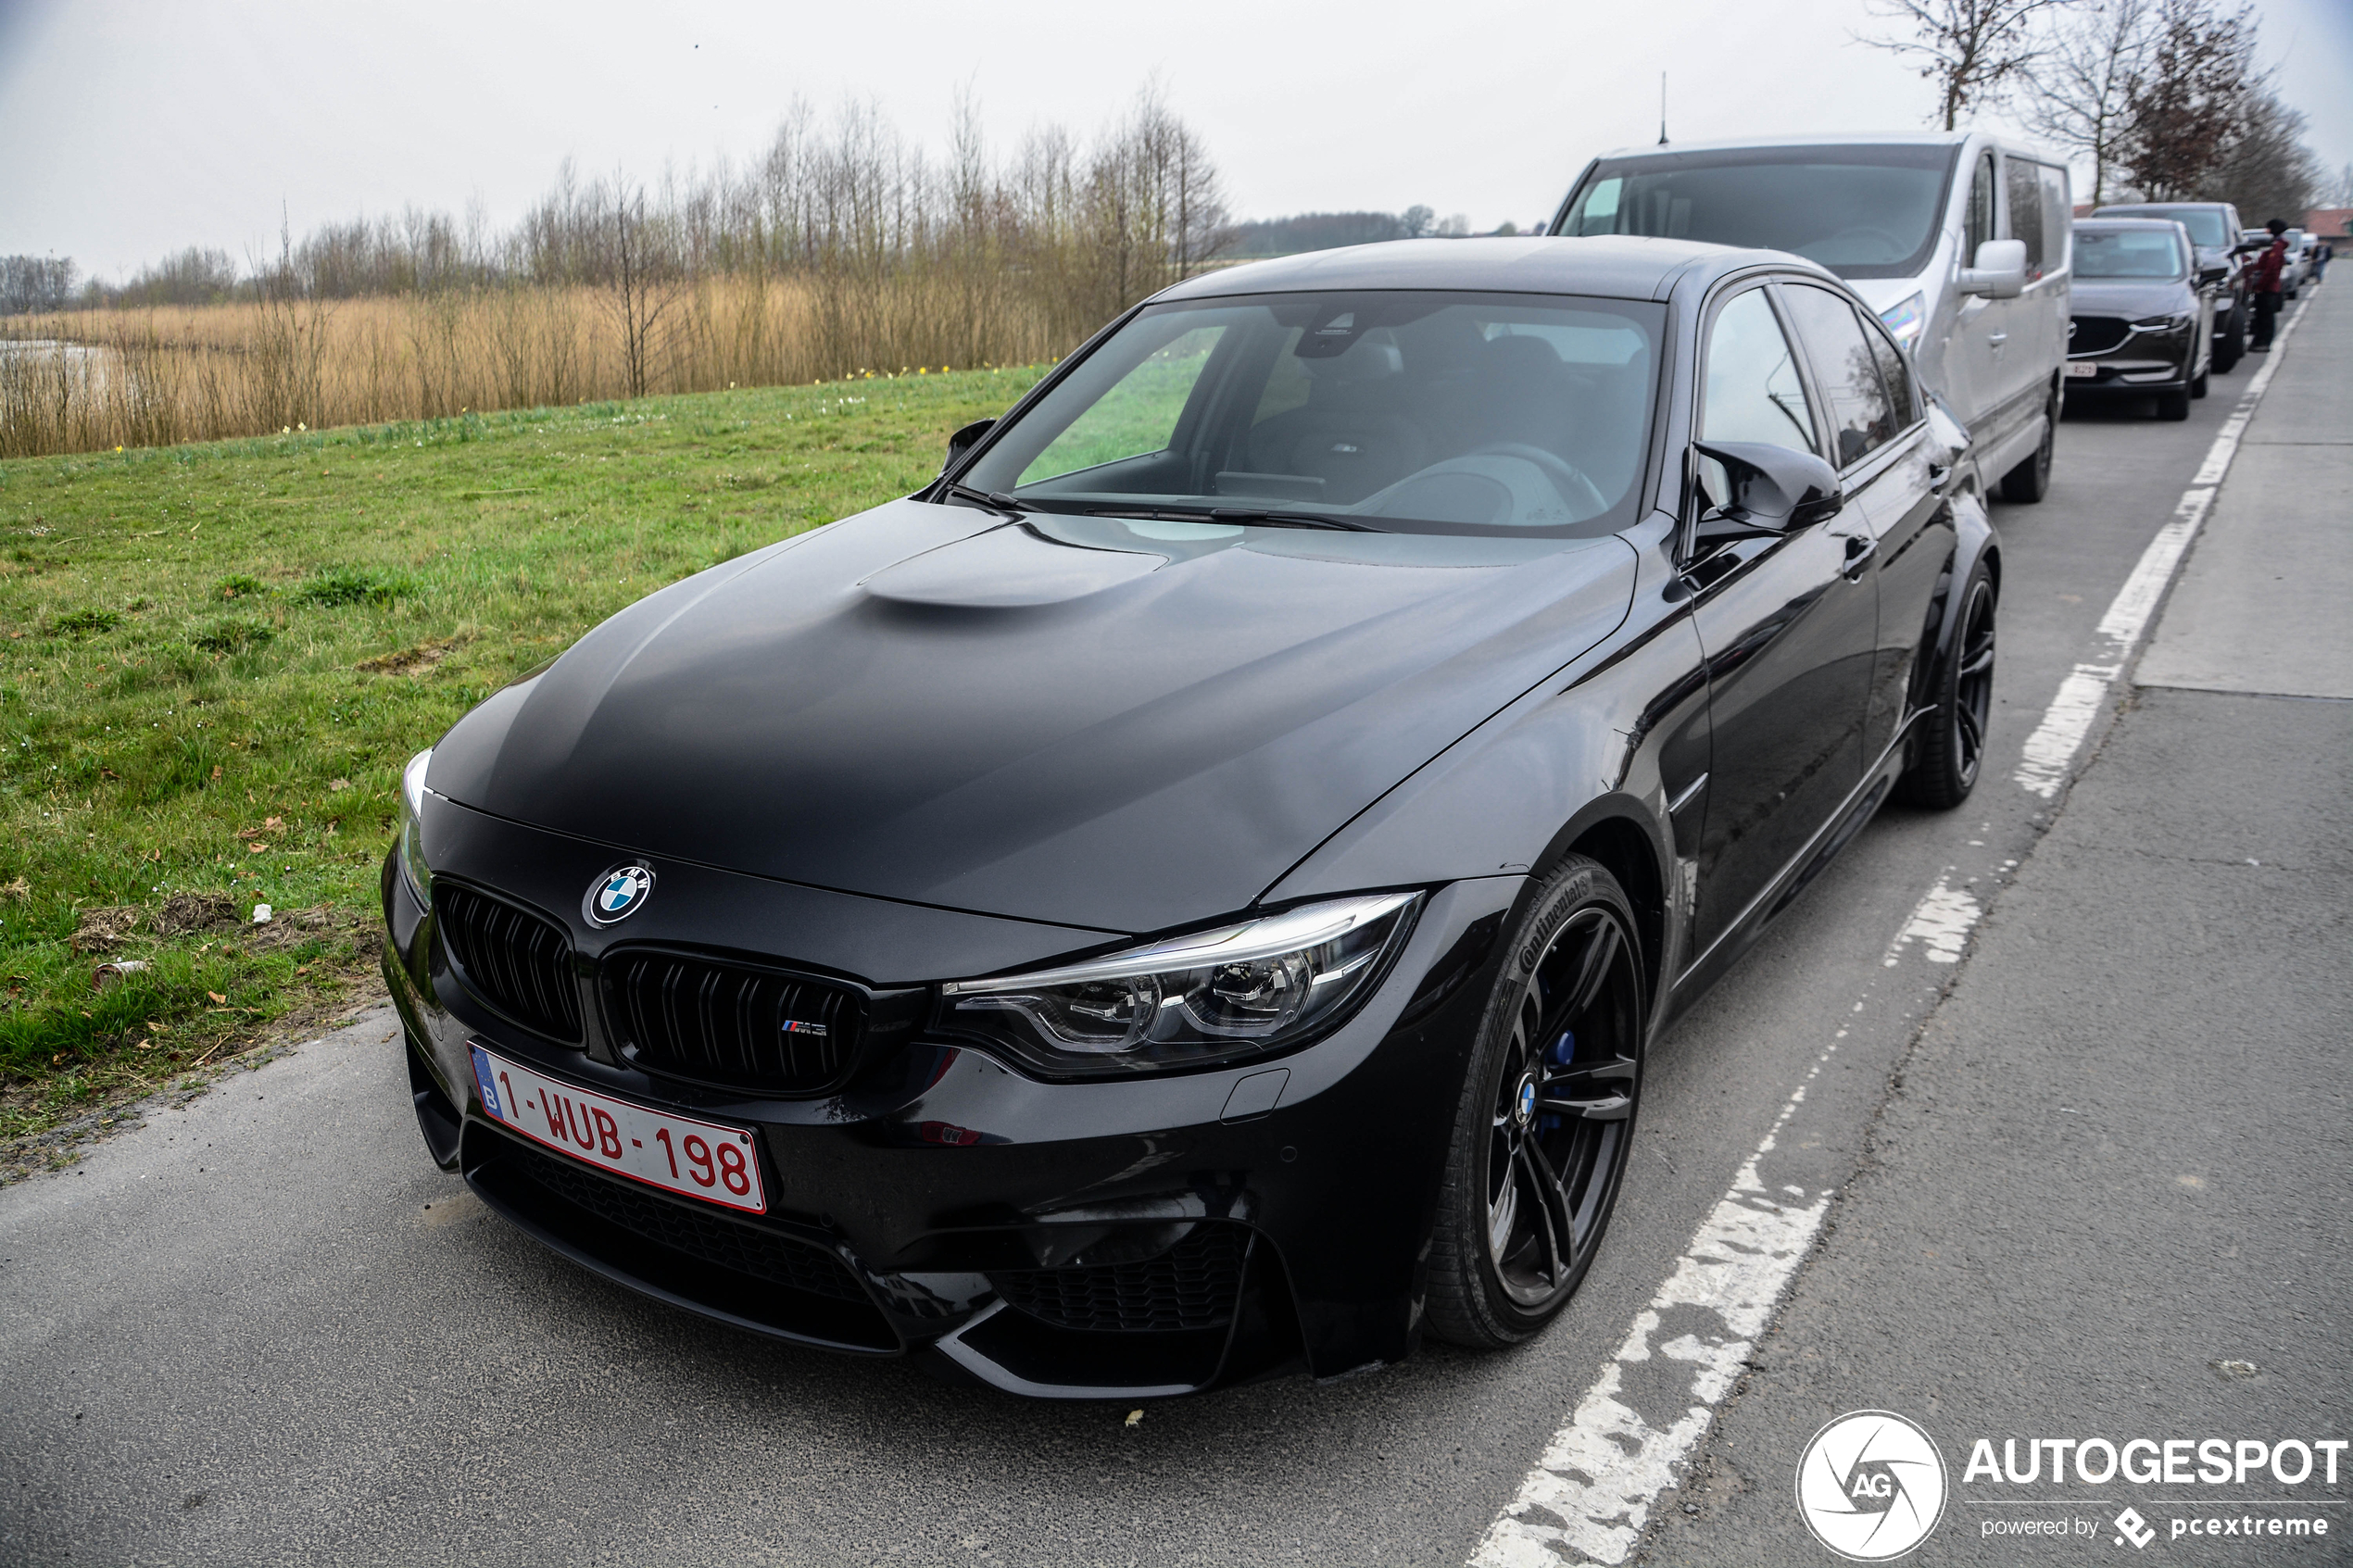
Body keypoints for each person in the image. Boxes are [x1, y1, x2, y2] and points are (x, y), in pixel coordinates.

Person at [2249, 220, 2289, 351]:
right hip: (2267, 286)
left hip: (2268, 287)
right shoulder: (2273, 245)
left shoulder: (2275, 247)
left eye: (2267, 228)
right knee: (2261, 315)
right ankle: (2258, 340)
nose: (2265, 231)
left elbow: (2271, 269)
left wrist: (2260, 286)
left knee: (2266, 316)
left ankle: (2264, 342)